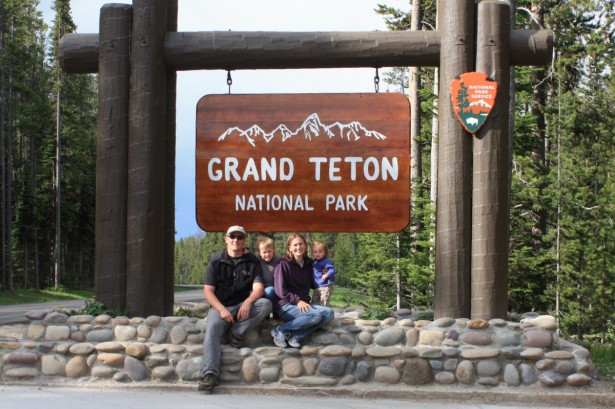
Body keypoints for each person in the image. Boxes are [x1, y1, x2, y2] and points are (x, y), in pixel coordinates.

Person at [199, 226, 272, 392]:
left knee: (265, 304)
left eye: (240, 237)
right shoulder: (216, 261)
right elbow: (208, 291)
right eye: (232, 236)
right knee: (212, 328)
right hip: (220, 306)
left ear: (244, 240)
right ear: (226, 238)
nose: (235, 240)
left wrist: (248, 302)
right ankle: (210, 373)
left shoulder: (252, 261)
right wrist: (222, 310)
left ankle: (236, 332)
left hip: (242, 306)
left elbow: (259, 288)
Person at [270, 233, 334, 348]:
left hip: (304, 303)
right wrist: (298, 301)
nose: (298, 247)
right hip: (286, 305)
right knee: (315, 316)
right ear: (289, 247)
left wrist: (325, 276)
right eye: (295, 245)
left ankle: (296, 336)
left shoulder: (310, 263)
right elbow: (280, 290)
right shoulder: (282, 264)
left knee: (329, 313)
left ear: (305, 246)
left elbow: (314, 284)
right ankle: (280, 330)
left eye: (301, 244)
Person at [256, 236, 282, 306]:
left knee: (268, 291)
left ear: (273, 250)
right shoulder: (257, 260)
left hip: (274, 287)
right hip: (260, 286)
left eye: (269, 251)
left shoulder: (279, 260)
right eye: (264, 252)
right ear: (259, 253)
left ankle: (274, 309)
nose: (267, 254)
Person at [311, 241, 336, 307]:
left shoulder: (326, 261)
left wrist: (327, 274)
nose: (317, 254)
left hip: (325, 285)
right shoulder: (314, 262)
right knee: (314, 302)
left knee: (324, 302)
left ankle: (325, 315)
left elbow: (332, 270)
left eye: (320, 252)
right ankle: (316, 314)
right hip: (317, 287)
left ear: (325, 252)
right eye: (315, 252)